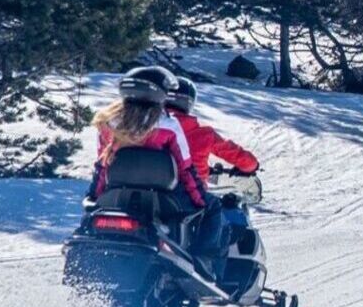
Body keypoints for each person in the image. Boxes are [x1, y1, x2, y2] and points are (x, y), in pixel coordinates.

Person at [87, 66, 208, 229]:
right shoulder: (168, 125)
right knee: (213, 207)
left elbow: (102, 164)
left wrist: (94, 197)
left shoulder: (108, 123)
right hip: (163, 197)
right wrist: (201, 201)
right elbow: (185, 169)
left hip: (117, 192)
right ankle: (205, 254)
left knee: (93, 216)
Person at [164, 77, 260, 277]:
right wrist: (251, 165)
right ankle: (206, 260)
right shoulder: (202, 134)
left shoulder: (151, 127)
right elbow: (236, 155)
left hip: (150, 189)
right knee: (215, 210)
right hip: (187, 193)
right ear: (189, 102)